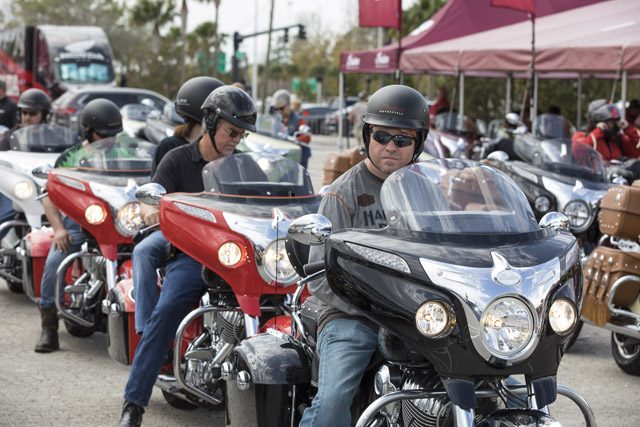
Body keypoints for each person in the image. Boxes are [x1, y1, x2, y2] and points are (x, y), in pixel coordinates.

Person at [117, 85, 257, 427]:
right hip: (193, 254)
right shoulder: (177, 159)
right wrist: (160, 211)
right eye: (231, 132)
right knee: (165, 314)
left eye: (240, 134)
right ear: (209, 124)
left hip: (237, 256)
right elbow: (153, 206)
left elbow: (262, 205)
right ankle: (133, 404)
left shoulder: (242, 166)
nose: (235, 140)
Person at [299, 84, 429, 427]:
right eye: (382, 136)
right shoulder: (343, 194)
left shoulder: (426, 192)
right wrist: (371, 307)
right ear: (367, 135)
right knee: (331, 404)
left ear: (418, 144)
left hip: (419, 317)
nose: (391, 147)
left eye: (402, 140)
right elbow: (317, 274)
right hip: (352, 316)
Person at [135, 76, 223, 336]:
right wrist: (153, 211)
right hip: (175, 229)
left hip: (219, 230)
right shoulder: (171, 148)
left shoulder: (229, 149)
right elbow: (155, 190)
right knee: (143, 252)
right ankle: (147, 330)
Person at [35, 98, 124, 354]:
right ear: (87, 131)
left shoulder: (123, 155)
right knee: (54, 262)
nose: (110, 140)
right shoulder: (71, 157)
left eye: (114, 135)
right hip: (79, 224)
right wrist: (59, 229)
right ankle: (49, 328)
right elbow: (48, 195)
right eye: (103, 134)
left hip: (117, 222)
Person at [0, 88, 52, 240]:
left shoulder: (54, 136)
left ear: (44, 115)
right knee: (5, 212)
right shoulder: (9, 137)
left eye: (33, 113)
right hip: (20, 189)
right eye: (24, 113)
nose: (27, 117)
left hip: (46, 188)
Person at [572, 99, 640, 161]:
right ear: (599, 121)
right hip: (593, 174)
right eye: (609, 122)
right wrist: (598, 131)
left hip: (615, 173)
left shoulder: (618, 140)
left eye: (614, 121)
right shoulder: (581, 136)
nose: (612, 125)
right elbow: (579, 152)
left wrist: (628, 128)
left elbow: (637, 149)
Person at [272, 89, 312, 168]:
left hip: (298, 158)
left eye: (282, 108)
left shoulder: (298, 120)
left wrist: (296, 140)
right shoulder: (278, 120)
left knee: (300, 178)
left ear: (288, 105)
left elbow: (306, 136)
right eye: (277, 109)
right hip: (282, 156)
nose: (279, 111)